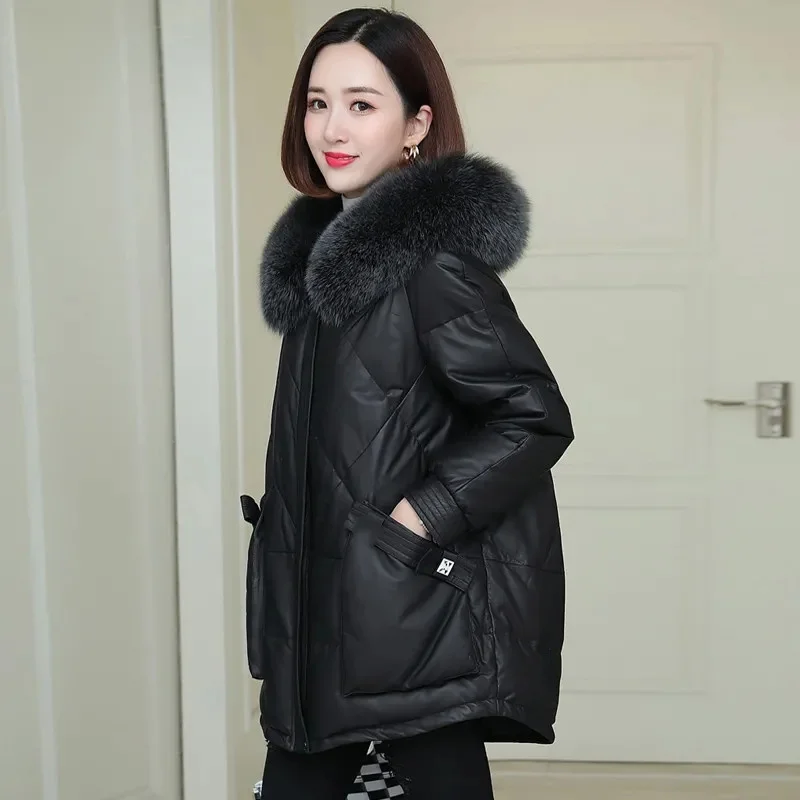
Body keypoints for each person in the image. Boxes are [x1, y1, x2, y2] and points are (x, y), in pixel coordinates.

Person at [240, 7, 574, 799]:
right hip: (334, 616)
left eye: (362, 104)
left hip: (411, 616)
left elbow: (532, 415)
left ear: (417, 125)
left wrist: (417, 520)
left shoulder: (429, 268)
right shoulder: (325, 268)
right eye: (318, 102)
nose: (332, 128)